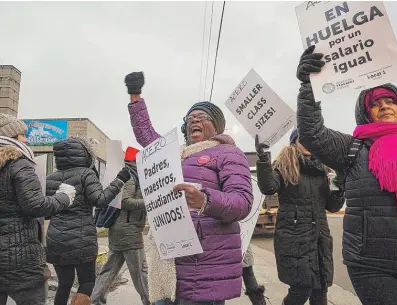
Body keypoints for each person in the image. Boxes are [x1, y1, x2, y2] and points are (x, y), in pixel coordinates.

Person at [295, 45, 397, 305]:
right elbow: (311, 132)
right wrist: (309, 86)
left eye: (390, 100)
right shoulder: (352, 147)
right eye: (375, 103)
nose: (384, 106)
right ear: (365, 111)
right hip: (373, 265)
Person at [125, 71, 253, 305]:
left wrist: (205, 200)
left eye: (201, 116)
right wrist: (135, 97)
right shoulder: (176, 155)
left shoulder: (228, 153)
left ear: (216, 126)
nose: (193, 120)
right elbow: (147, 138)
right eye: (189, 118)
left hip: (204, 266)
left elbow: (242, 202)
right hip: (171, 262)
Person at [255, 129, 345, 305]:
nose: (306, 142)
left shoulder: (324, 170)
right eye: (302, 139)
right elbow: (268, 187)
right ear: (294, 142)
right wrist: (263, 159)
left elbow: (333, 207)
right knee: (300, 290)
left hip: (320, 239)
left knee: (320, 291)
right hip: (295, 240)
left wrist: (339, 189)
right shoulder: (285, 166)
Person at [0, 114, 76, 305]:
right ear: (10, 138)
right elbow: (35, 206)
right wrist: (64, 198)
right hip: (21, 261)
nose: (26, 140)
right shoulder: (19, 163)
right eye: (22, 135)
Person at [45, 136, 131, 305]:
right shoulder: (86, 174)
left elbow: (45, 210)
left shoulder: (50, 178)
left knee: (64, 284)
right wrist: (119, 180)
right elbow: (100, 199)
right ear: (85, 154)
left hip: (56, 239)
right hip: (82, 239)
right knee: (87, 282)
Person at [91, 146, 150, 305]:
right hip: (129, 230)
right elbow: (125, 202)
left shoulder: (126, 173)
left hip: (119, 229)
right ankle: (150, 301)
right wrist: (148, 203)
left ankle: (95, 300)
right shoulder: (131, 176)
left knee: (109, 270)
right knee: (140, 272)